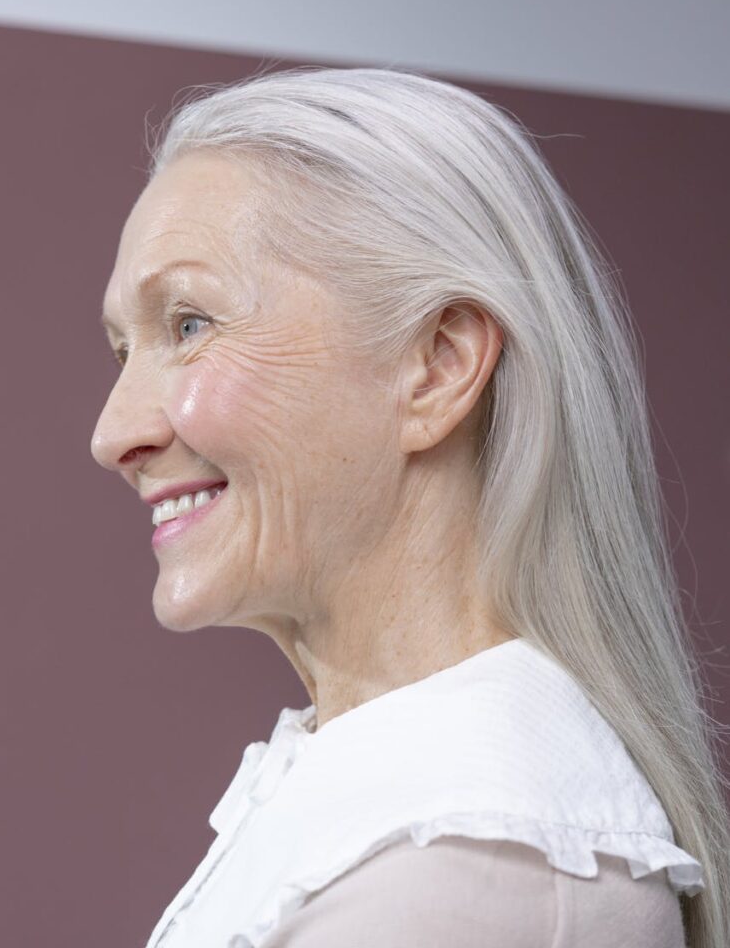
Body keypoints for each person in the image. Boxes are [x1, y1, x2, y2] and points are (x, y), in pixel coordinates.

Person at [90, 66, 729, 947]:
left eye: (190, 324)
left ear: (435, 365)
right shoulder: (408, 828)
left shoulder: (460, 869)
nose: (113, 432)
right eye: (124, 349)